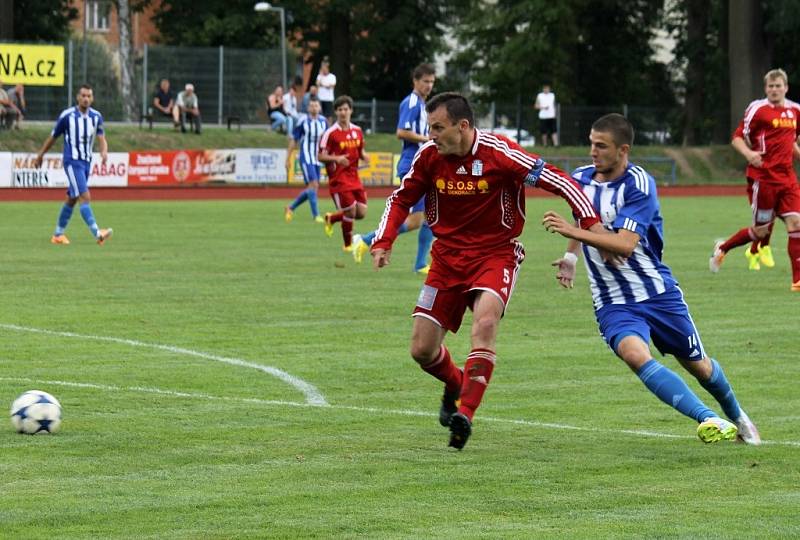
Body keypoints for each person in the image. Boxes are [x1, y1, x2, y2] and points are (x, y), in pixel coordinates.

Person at [371, 92, 601, 450]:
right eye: (428, 128)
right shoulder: (429, 156)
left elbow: (561, 180)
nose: (431, 135)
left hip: (496, 254)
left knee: (486, 323)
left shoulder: (500, 153)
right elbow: (400, 198)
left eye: (437, 128)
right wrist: (384, 240)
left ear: (462, 126)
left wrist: (589, 220)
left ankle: (467, 414)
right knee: (422, 350)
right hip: (446, 259)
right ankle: (455, 383)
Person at [542, 113, 760, 445]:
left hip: (657, 293)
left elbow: (625, 246)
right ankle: (709, 418)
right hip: (612, 300)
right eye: (591, 143)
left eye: (601, 146)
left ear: (623, 150)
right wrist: (572, 256)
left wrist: (573, 232)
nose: (593, 152)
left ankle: (738, 415)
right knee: (634, 354)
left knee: (699, 367)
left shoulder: (639, 184)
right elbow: (583, 218)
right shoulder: (581, 180)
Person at [709, 68, 800, 291]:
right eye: (771, 86)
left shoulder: (796, 111)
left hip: (787, 178)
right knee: (761, 231)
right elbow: (737, 137)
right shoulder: (757, 109)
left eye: (778, 86)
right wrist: (749, 154)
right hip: (764, 179)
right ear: (765, 88)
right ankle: (723, 247)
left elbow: (792, 143)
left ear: (786, 88)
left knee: (797, 223)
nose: (774, 89)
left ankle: (797, 281)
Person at [352, 63, 436, 274]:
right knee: (417, 219)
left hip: (425, 165)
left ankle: (420, 263)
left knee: (431, 214)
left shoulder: (425, 104)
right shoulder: (412, 102)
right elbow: (401, 132)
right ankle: (367, 239)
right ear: (415, 81)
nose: (429, 85)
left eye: (432, 81)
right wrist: (427, 139)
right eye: (425, 81)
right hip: (412, 165)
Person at [32, 84, 113, 246]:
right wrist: (40, 155)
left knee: (72, 198)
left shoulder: (96, 117)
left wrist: (104, 151)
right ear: (77, 97)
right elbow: (53, 137)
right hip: (72, 161)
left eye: (89, 96)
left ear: (92, 98)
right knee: (85, 196)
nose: (86, 99)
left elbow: (101, 137)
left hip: (86, 163)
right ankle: (98, 233)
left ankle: (58, 235)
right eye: (83, 95)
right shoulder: (67, 116)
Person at [318, 95, 368, 251]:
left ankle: (331, 218)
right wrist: (337, 158)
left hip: (354, 177)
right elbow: (320, 156)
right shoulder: (330, 133)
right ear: (336, 112)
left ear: (351, 111)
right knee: (350, 212)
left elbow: (361, 152)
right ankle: (348, 245)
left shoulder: (357, 131)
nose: (343, 112)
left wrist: (365, 157)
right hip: (338, 178)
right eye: (340, 109)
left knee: (361, 213)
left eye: (346, 109)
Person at [285, 95, 328, 223]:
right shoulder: (303, 121)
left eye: (316, 105)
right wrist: (287, 158)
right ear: (308, 108)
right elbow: (294, 140)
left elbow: (328, 141)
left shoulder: (324, 122)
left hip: (318, 159)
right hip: (306, 157)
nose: (314, 108)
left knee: (313, 188)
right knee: (313, 184)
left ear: (319, 107)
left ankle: (290, 208)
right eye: (311, 105)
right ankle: (316, 216)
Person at [316, 59, 337, 123]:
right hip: (320, 98)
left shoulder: (332, 77)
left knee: (329, 115)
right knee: (320, 114)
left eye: (324, 68)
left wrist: (323, 85)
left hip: (328, 99)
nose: (323, 70)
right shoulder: (319, 76)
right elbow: (317, 84)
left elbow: (331, 86)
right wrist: (321, 76)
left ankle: (329, 127)